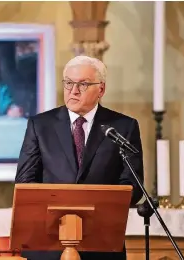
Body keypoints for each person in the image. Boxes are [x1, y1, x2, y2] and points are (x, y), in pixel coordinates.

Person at [15, 55, 144, 260]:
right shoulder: (40, 125)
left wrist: (91, 203)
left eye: (83, 84)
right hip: (48, 245)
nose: (73, 91)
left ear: (100, 89)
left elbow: (133, 186)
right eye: (68, 83)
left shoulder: (122, 127)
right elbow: (24, 182)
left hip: (101, 244)